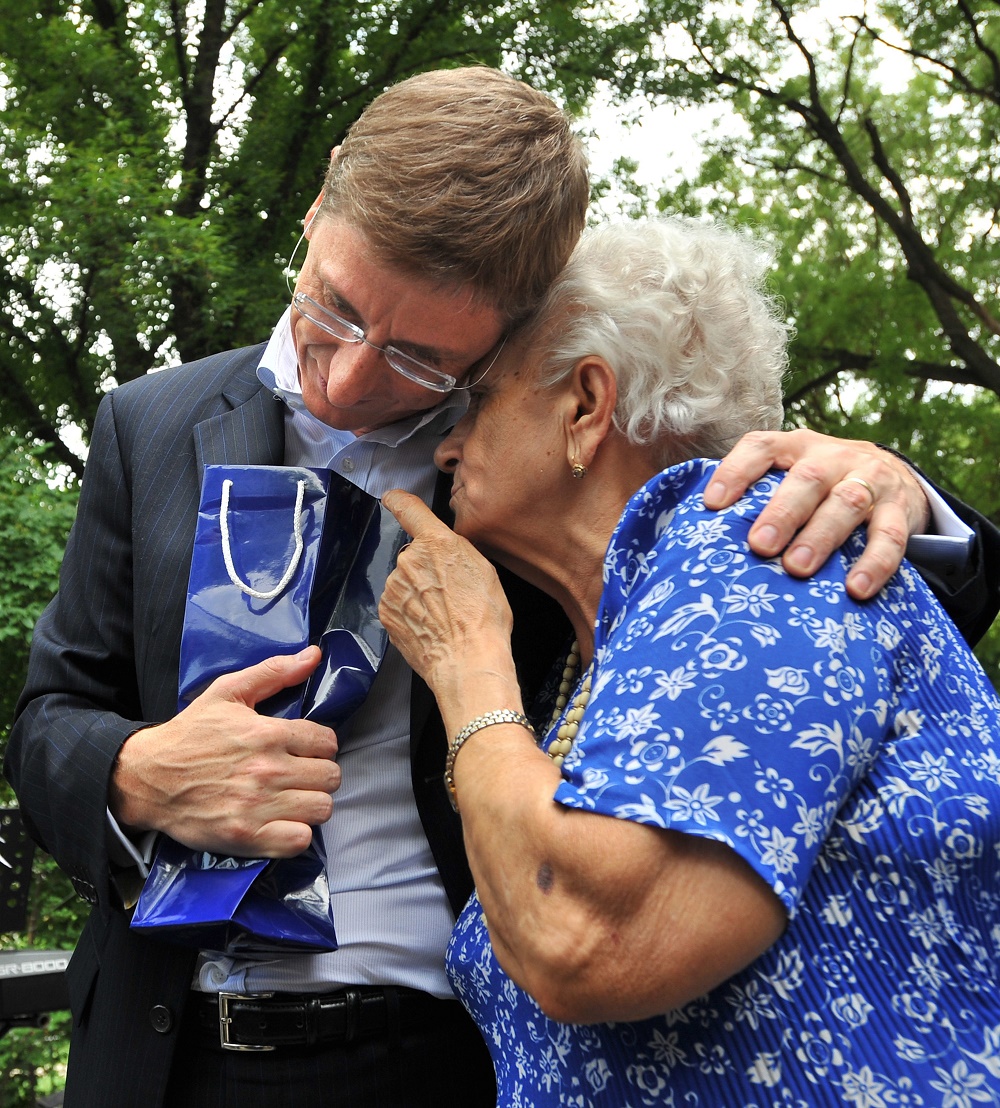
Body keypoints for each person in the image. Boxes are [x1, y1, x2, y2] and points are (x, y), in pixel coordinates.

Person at [4, 65, 993, 1108]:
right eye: (333, 306)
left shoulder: (548, 475)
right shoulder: (146, 424)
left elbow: (813, 637)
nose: (346, 379)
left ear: (507, 332)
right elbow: (46, 721)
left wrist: (898, 492)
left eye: (427, 365)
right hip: (165, 1049)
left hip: (450, 1046)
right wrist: (134, 771)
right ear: (320, 196)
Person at [377, 215, 1000, 1106]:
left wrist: (466, 658)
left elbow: (588, 934)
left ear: (587, 407)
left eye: (477, 398)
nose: (444, 445)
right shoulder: (598, 660)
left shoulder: (758, 556)